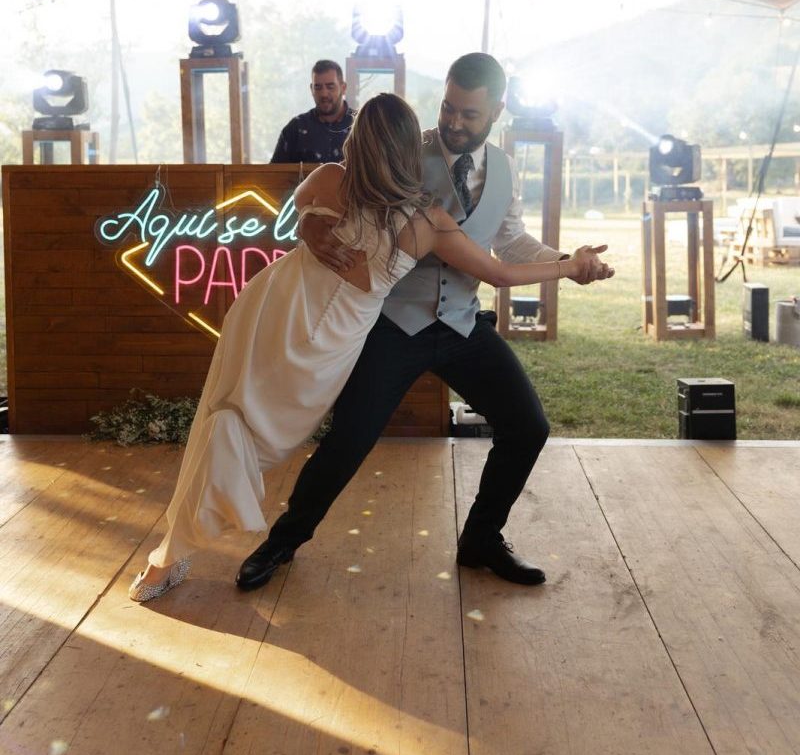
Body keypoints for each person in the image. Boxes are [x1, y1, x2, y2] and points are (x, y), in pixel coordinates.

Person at [130, 91, 612, 602]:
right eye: (448, 107)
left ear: (495, 112)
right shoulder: (366, 175)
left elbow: (505, 257)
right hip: (382, 328)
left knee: (529, 426)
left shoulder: (484, 183)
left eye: (468, 113)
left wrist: (569, 262)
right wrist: (310, 225)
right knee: (346, 443)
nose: (452, 120)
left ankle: (482, 540)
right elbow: (307, 205)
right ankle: (282, 543)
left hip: (458, 324)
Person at [270, 59, 355, 164]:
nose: (324, 93)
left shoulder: (360, 126)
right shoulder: (296, 128)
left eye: (330, 87)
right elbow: (274, 174)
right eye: (318, 87)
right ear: (311, 89)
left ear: (343, 88)